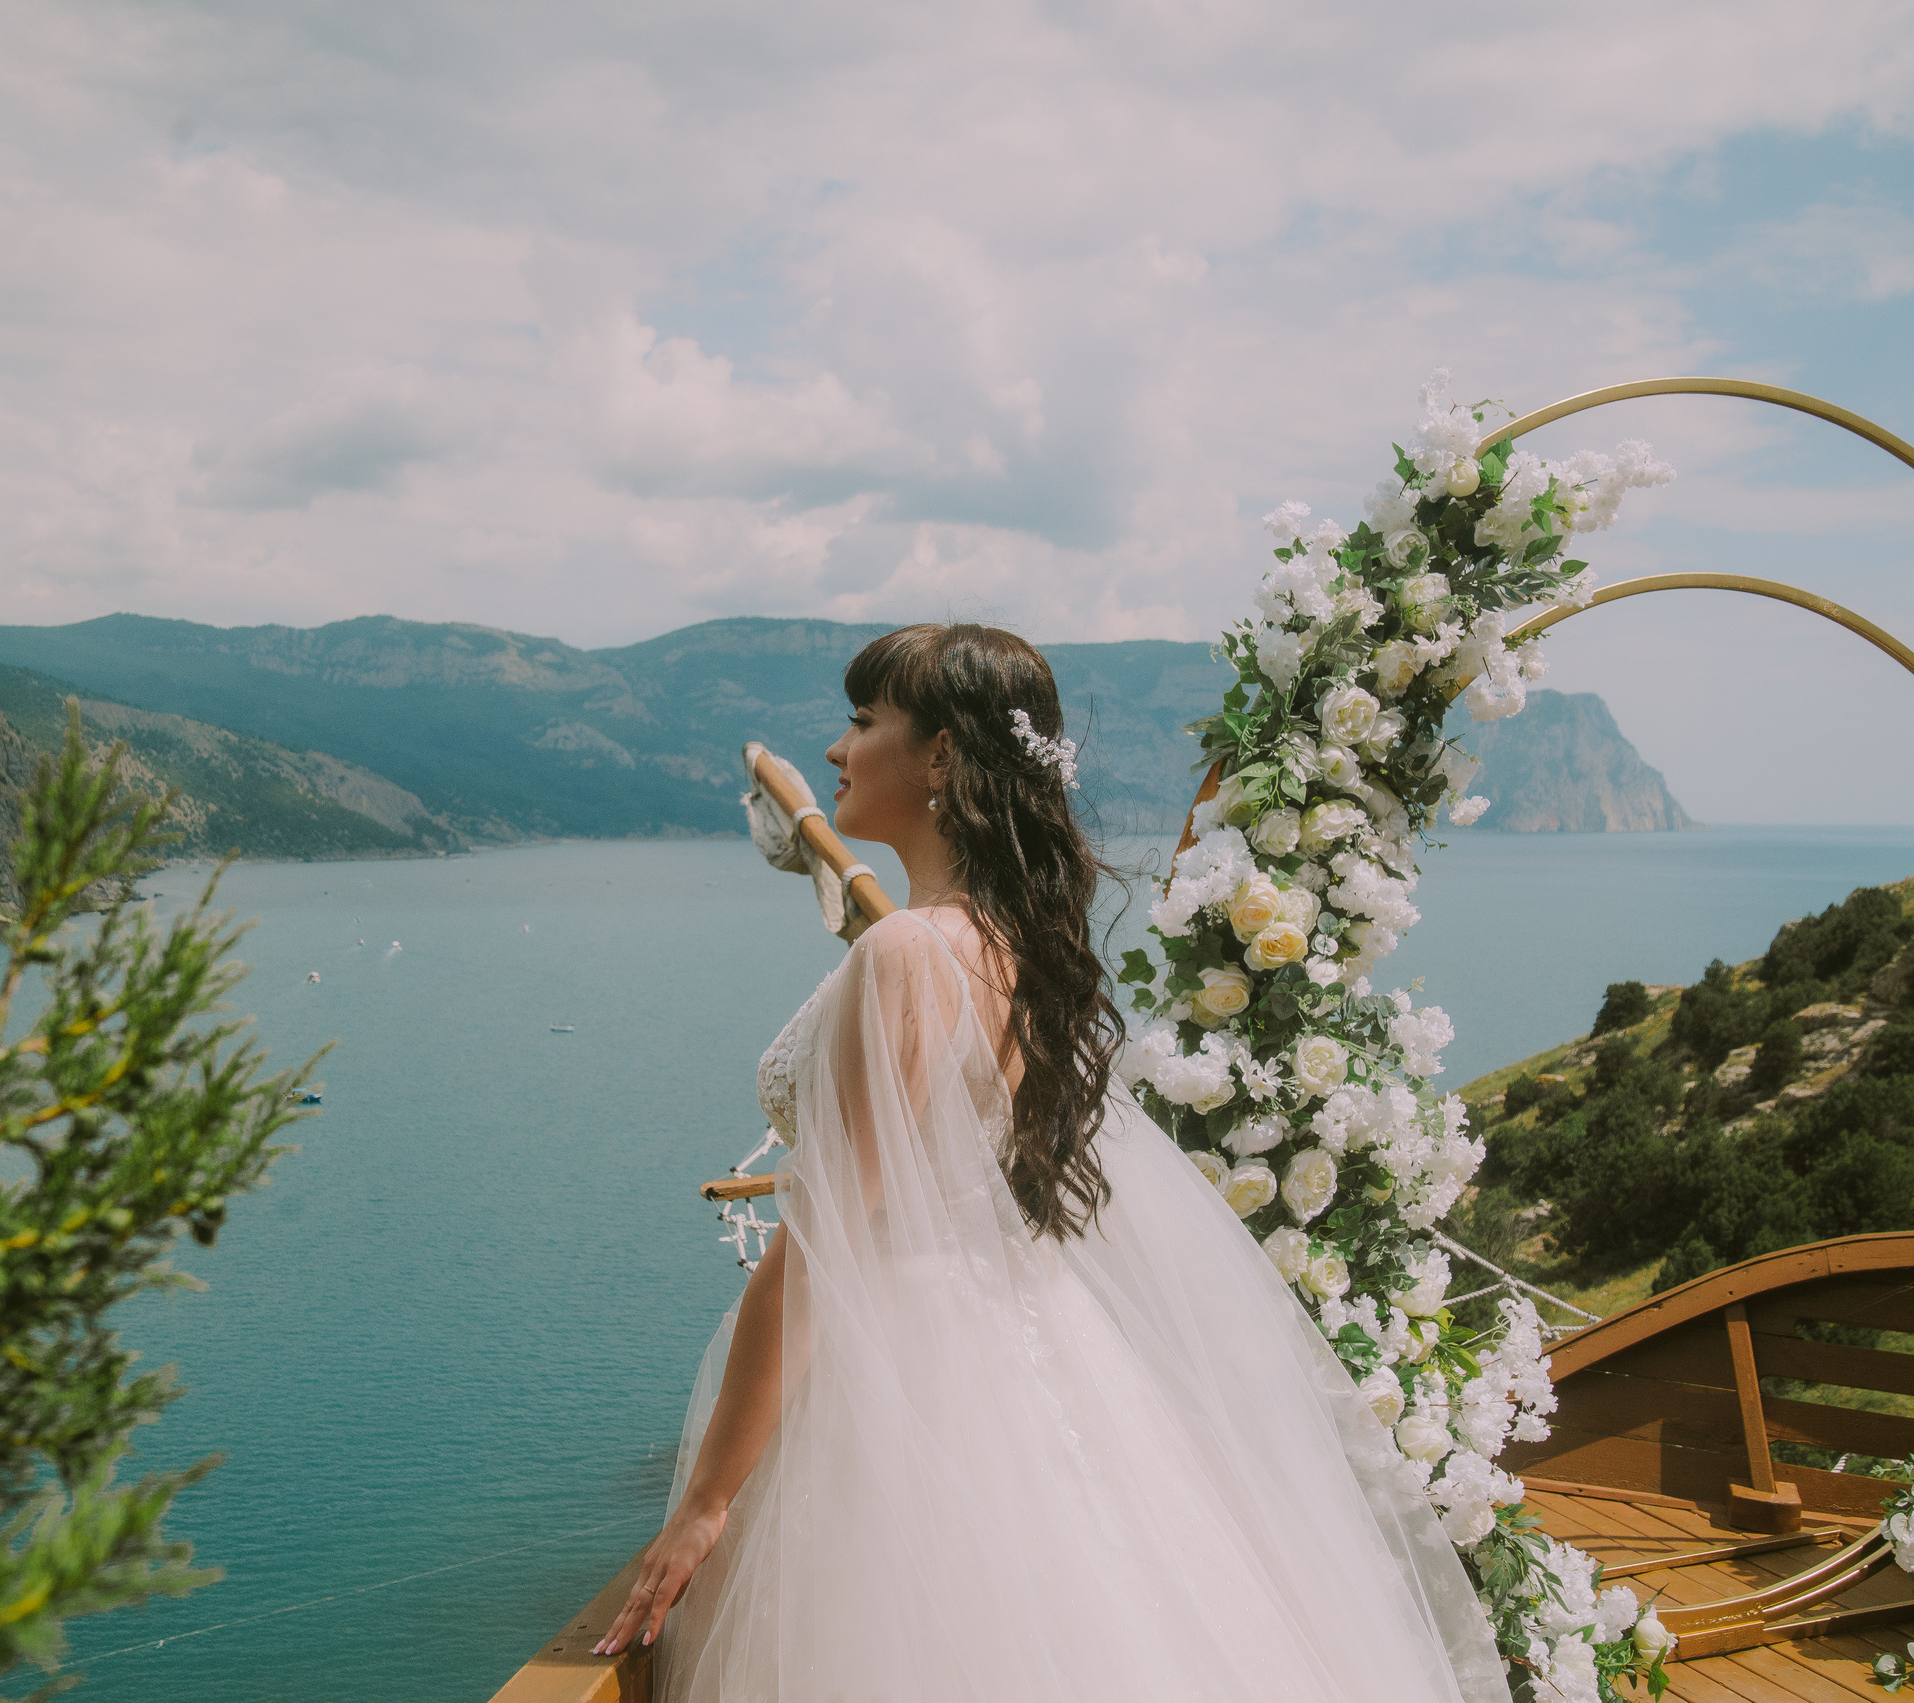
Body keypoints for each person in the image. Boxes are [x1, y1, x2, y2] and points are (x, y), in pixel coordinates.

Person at [595, 624, 1505, 1701]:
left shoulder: (906, 952)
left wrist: (705, 1500)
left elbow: (819, 1249)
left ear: (938, 754)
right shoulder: (1018, 949)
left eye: (861, 719)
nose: (838, 750)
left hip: (899, 1382)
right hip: (1025, 1342)